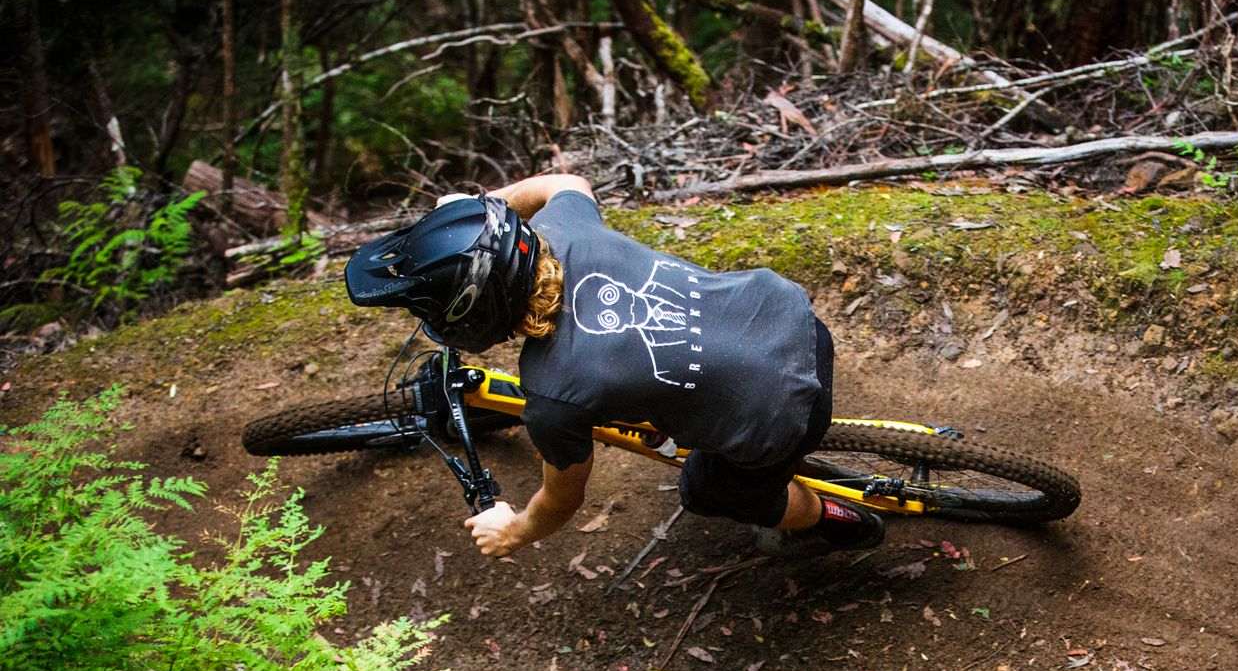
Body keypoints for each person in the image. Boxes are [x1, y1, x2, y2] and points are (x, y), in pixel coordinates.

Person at [343, 173, 885, 559]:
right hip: (787, 315)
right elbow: (566, 182)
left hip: (780, 414)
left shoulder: (553, 394)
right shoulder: (568, 228)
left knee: (710, 492)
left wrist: (514, 531)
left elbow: (561, 501)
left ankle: (836, 521)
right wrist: (485, 206)